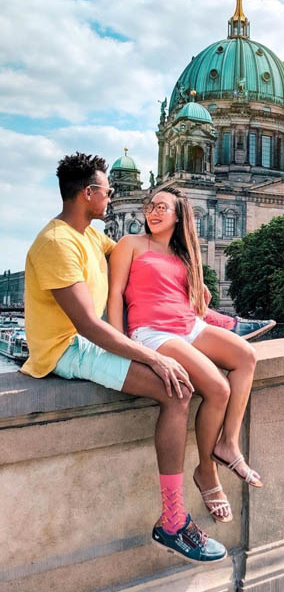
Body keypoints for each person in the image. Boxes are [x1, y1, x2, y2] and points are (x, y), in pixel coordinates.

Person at [22, 153, 226, 564]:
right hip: (65, 349)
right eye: (107, 189)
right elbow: (88, 327)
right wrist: (154, 356)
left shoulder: (89, 235)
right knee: (176, 390)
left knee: (177, 379)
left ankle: (226, 323)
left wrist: (192, 286)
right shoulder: (57, 244)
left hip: (88, 339)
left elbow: (148, 263)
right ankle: (172, 520)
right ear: (88, 194)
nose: (112, 195)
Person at [107, 188, 263, 524]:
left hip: (188, 326)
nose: (153, 211)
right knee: (218, 388)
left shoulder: (185, 254)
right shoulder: (130, 245)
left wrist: (201, 297)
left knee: (246, 356)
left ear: (179, 215)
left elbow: (194, 304)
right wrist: (122, 346)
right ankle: (206, 471)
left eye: (162, 207)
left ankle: (229, 444)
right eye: (150, 206)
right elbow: (116, 294)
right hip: (152, 332)